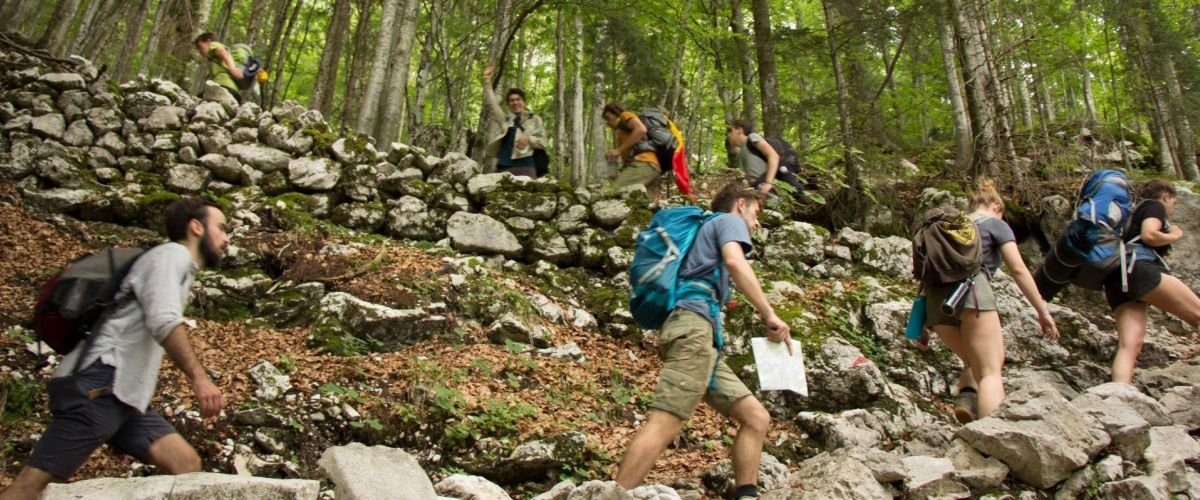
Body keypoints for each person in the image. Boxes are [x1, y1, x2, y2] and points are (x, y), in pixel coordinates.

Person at [0, 197, 230, 500]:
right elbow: (163, 321)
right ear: (196, 227)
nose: (226, 239)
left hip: (123, 397)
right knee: (31, 486)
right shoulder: (170, 256)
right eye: (223, 228)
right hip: (98, 384)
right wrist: (200, 379)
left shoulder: (178, 267)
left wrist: (114, 430)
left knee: (185, 464)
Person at [615, 183, 791, 499]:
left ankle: (747, 494)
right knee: (665, 421)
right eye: (756, 212)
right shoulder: (728, 221)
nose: (757, 222)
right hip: (692, 330)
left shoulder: (708, 228)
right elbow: (737, 263)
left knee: (756, 418)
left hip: (699, 335)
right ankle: (614, 495)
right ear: (740, 204)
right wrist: (769, 313)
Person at [921, 179, 1058, 423]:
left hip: (935, 304)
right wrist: (1042, 310)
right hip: (973, 294)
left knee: (973, 361)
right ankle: (994, 438)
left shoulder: (950, 227)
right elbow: (1018, 269)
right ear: (997, 206)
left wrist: (920, 322)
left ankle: (967, 399)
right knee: (990, 371)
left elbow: (927, 273)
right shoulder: (996, 224)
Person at [1103, 179, 1200, 384]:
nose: (1172, 208)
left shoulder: (1130, 215)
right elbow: (1149, 235)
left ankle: (1118, 394)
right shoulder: (1154, 205)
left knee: (1130, 346)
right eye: (1173, 203)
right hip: (1139, 270)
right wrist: (1174, 234)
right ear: (1166, 197)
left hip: (1115, 278)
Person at [481, 62, 547, 178]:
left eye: (518, 99)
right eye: (511, 100)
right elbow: (492, 104)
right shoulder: (505, 121)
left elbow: (543, 142)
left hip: (525, 167)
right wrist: (486, 80)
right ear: (508, 105)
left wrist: (528, 139)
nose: (515, 102)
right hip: (503, 167)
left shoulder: (535, 119)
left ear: (524, 103)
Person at [725, 120, 805, 200]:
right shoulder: (740, 154)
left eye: (730, 131)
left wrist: (768, 183)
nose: (728, 135)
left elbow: (773, 156)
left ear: (740, 130)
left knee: (796, 194)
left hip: (772, 179)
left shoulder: (752, 137)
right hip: (759, 187)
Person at [602, 103, 662, 192]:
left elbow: (641, 129)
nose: (608, 122)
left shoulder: (625, 115)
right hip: (650, 168)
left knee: (614, 192)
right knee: (640, 204)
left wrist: (618, 150)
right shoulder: (624, 133)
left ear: (615, 112)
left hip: (643, 164)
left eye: (608, 117)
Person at [194, 32, 247, 104]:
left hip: (222, 87)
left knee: (196, 101)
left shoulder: (213, 45)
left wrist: (232, 68)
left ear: (208, 41)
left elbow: (224, 53)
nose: (199, 51)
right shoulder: (213, 58)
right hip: (233, 90)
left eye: (200, 47)